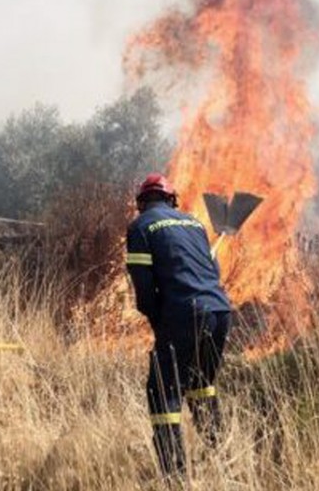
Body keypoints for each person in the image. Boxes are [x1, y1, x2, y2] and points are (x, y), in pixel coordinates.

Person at [125, 173, 233, 477]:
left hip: (184, 313)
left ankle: (174, 477)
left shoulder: (140, 227)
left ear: (141, 203)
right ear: (172, 200)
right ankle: (223, 460)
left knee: (163, 391)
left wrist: (160, 321)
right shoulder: (195, 224)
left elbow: (144, 289)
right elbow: (213, 271)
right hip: (220, 311)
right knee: (201, 384)